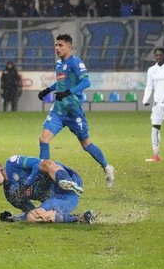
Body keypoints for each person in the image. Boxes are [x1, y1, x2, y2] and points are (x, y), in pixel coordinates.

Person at [37, 34, 115, 188]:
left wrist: (67, 93)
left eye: (60, 45)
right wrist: (48, 90)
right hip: (59, 111)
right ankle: (45, 176)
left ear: (69, 47)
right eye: (56, 45)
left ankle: (107, 167)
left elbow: (86, 82)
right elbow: (61, 82)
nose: (57, 48)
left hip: (74, 113)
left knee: (86, 144)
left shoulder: (76, 62)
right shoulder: (59, 64)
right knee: (43, 139)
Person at [0, 155, 95, 224]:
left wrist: (28, 183)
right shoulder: (11, 194)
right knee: (33, 217)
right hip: (61, 198)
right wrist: (13, 218)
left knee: (45, 163)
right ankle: (80, 218)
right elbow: (32, 212)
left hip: (68, 178)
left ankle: (65, 180)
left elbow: (38, 163)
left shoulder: (12, 163)